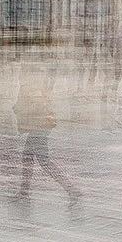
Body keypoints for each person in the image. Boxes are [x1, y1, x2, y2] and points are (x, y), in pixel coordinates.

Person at [13, 69, 81, 206]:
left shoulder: (31, 87)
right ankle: (24, 193)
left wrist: (20, 109)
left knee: (43, 162)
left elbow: (38, 106)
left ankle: (71, 190)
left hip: (39, 128)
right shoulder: (30, 87)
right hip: (39, 127)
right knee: (27, 159)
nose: (19, 77)